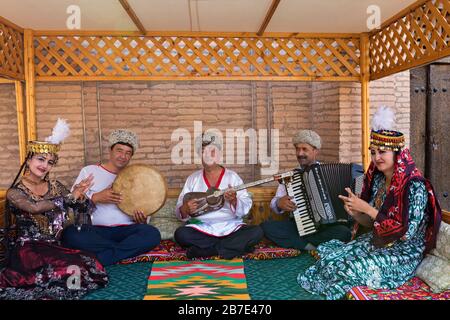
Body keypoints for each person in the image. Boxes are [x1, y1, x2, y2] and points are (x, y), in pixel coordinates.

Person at [297, 106, 442, 300]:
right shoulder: (380, 180)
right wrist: (356, 213)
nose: (376, 157)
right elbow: (373, 224)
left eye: (382, 152)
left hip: (402, 253)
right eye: (373, 152)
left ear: (398, 153)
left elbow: (406, 234)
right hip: (378, 242)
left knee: (347, 269)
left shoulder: (414, 186)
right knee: (330, 259)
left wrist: (368, 209)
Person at [0, 119, 108, 300]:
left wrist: (81, 196)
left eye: (50, 162)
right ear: (28, 159)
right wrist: (70, 197)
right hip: (27, 248)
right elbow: (33, 207)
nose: (44, 165)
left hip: (53, 245)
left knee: (90, 262)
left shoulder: (56, 186)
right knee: (63, 270)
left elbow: (77, 206)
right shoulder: (14, 192)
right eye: (40, 159)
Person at [61, 129, 161, 266]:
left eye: (128, 153)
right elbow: (71, 205)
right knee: (70, 234)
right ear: (110, 151)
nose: (123, 156)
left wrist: (142, 219)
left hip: (126, 230)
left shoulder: (137, 176)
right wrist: (96, 197)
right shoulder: (89, 171)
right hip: (96, 230)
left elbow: (144, 209)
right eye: (119, 151)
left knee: (152, 234)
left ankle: (102, 258)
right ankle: (121, 251)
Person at [174, 132, 263, 259]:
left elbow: (245, 207)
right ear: (200, 155)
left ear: (219, 154)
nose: (208, 156)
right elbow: (180, 209)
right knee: (181, 234)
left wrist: (234, 201)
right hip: (202, 229)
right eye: (204, 152)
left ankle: (207, 251)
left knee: (256, 232)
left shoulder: (232, 177)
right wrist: (185, 209)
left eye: (212, 151)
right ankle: (231, 249)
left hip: (231, 228)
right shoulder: (193, 179)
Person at [261, 130, 354, 251]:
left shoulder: (328, 172)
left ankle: (302, 244)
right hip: (298, 226)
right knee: (266, 227)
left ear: (315, 151)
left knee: (344, 232)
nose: (300, 153)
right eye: (297, 149)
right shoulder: (290, 176)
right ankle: (310, 246)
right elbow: (274, 204)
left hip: (327, 227)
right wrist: (279, 203)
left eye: (304, 149)